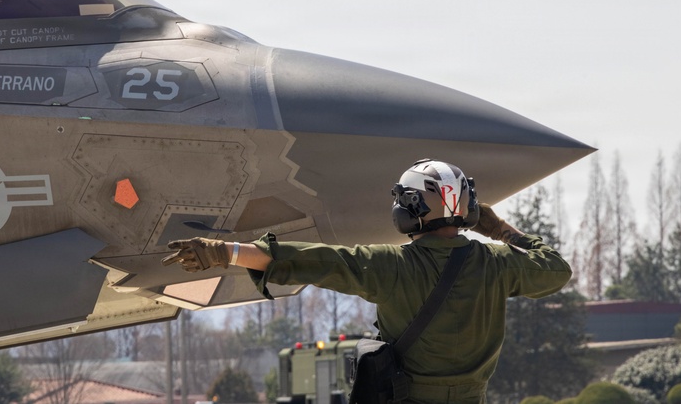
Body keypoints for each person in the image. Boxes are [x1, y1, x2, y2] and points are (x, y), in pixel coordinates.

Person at [162, 159, 572, 404]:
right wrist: (501, 230)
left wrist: (223, 251)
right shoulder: (498, 265)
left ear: (411, 210)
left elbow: (311, 261)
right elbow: (556, 268)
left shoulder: (392, 266)